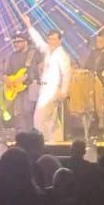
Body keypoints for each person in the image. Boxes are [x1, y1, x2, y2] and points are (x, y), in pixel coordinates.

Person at [22, 14, 71, 143]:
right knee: (51, 118)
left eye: (54, 39)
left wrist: (64, 91)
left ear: (60, 41)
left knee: (40, 117)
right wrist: (29, 25)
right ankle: (56, 141)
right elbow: (38, 41)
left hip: (53, 88)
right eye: (50, 39)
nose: (51, 41)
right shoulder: (49, 50)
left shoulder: (62, 54)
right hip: (45, 88)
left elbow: (66, 73)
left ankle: (42, 141)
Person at [3, 31, 38, 136]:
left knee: (28, 111)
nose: (16, 44)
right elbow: (6, 72)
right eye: (14, 42)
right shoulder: (12, 56)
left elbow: (37, 71)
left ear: (26, 42)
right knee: (18, 113)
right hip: (17, 89)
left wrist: (27, 78)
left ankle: (31, 136)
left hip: (30, 87)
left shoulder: (33, 54)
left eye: (18, 42)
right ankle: (22, 136)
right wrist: (7, 79)